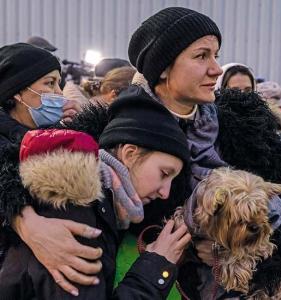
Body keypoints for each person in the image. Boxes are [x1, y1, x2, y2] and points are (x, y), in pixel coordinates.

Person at [126, 6, 281, 299]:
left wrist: (247, 243)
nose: (216, 69)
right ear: (164, 67)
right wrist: (25, 221)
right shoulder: (123, 131)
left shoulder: (242, 124)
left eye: (216, 55)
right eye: (201, 56)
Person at [0, 95, 191, 299]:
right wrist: (156, 266)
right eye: (164, 173)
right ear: (130, 154)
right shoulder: (76, 208)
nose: (165, 193)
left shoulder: (103, 207)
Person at [0, 43, 92, 292]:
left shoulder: (57, 138)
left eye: (59, 84)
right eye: (49, 83)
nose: (60, 94)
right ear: (18, 92)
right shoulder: (5, 149)